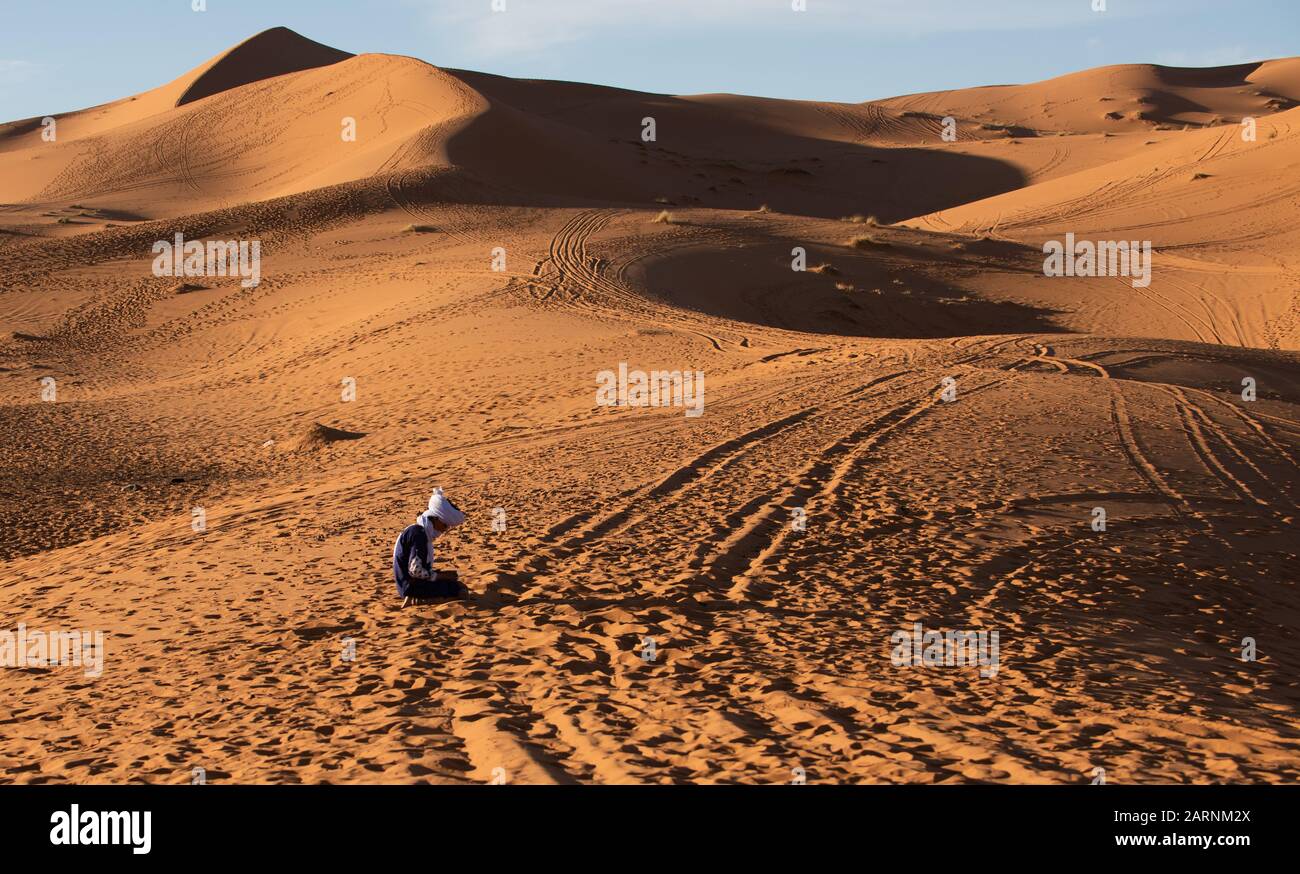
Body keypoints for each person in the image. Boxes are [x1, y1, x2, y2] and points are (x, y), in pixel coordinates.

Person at [393, 487, 466, 602]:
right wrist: (439, 576)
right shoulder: (418, 533)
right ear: (436, 519)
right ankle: (418, 599)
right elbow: (415, 570)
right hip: (410, 586)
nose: (444, 529)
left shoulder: (420, 532)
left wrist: (439, 574)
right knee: (459, 590)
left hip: (413, 583)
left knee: (455, 584)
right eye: (444, 525)